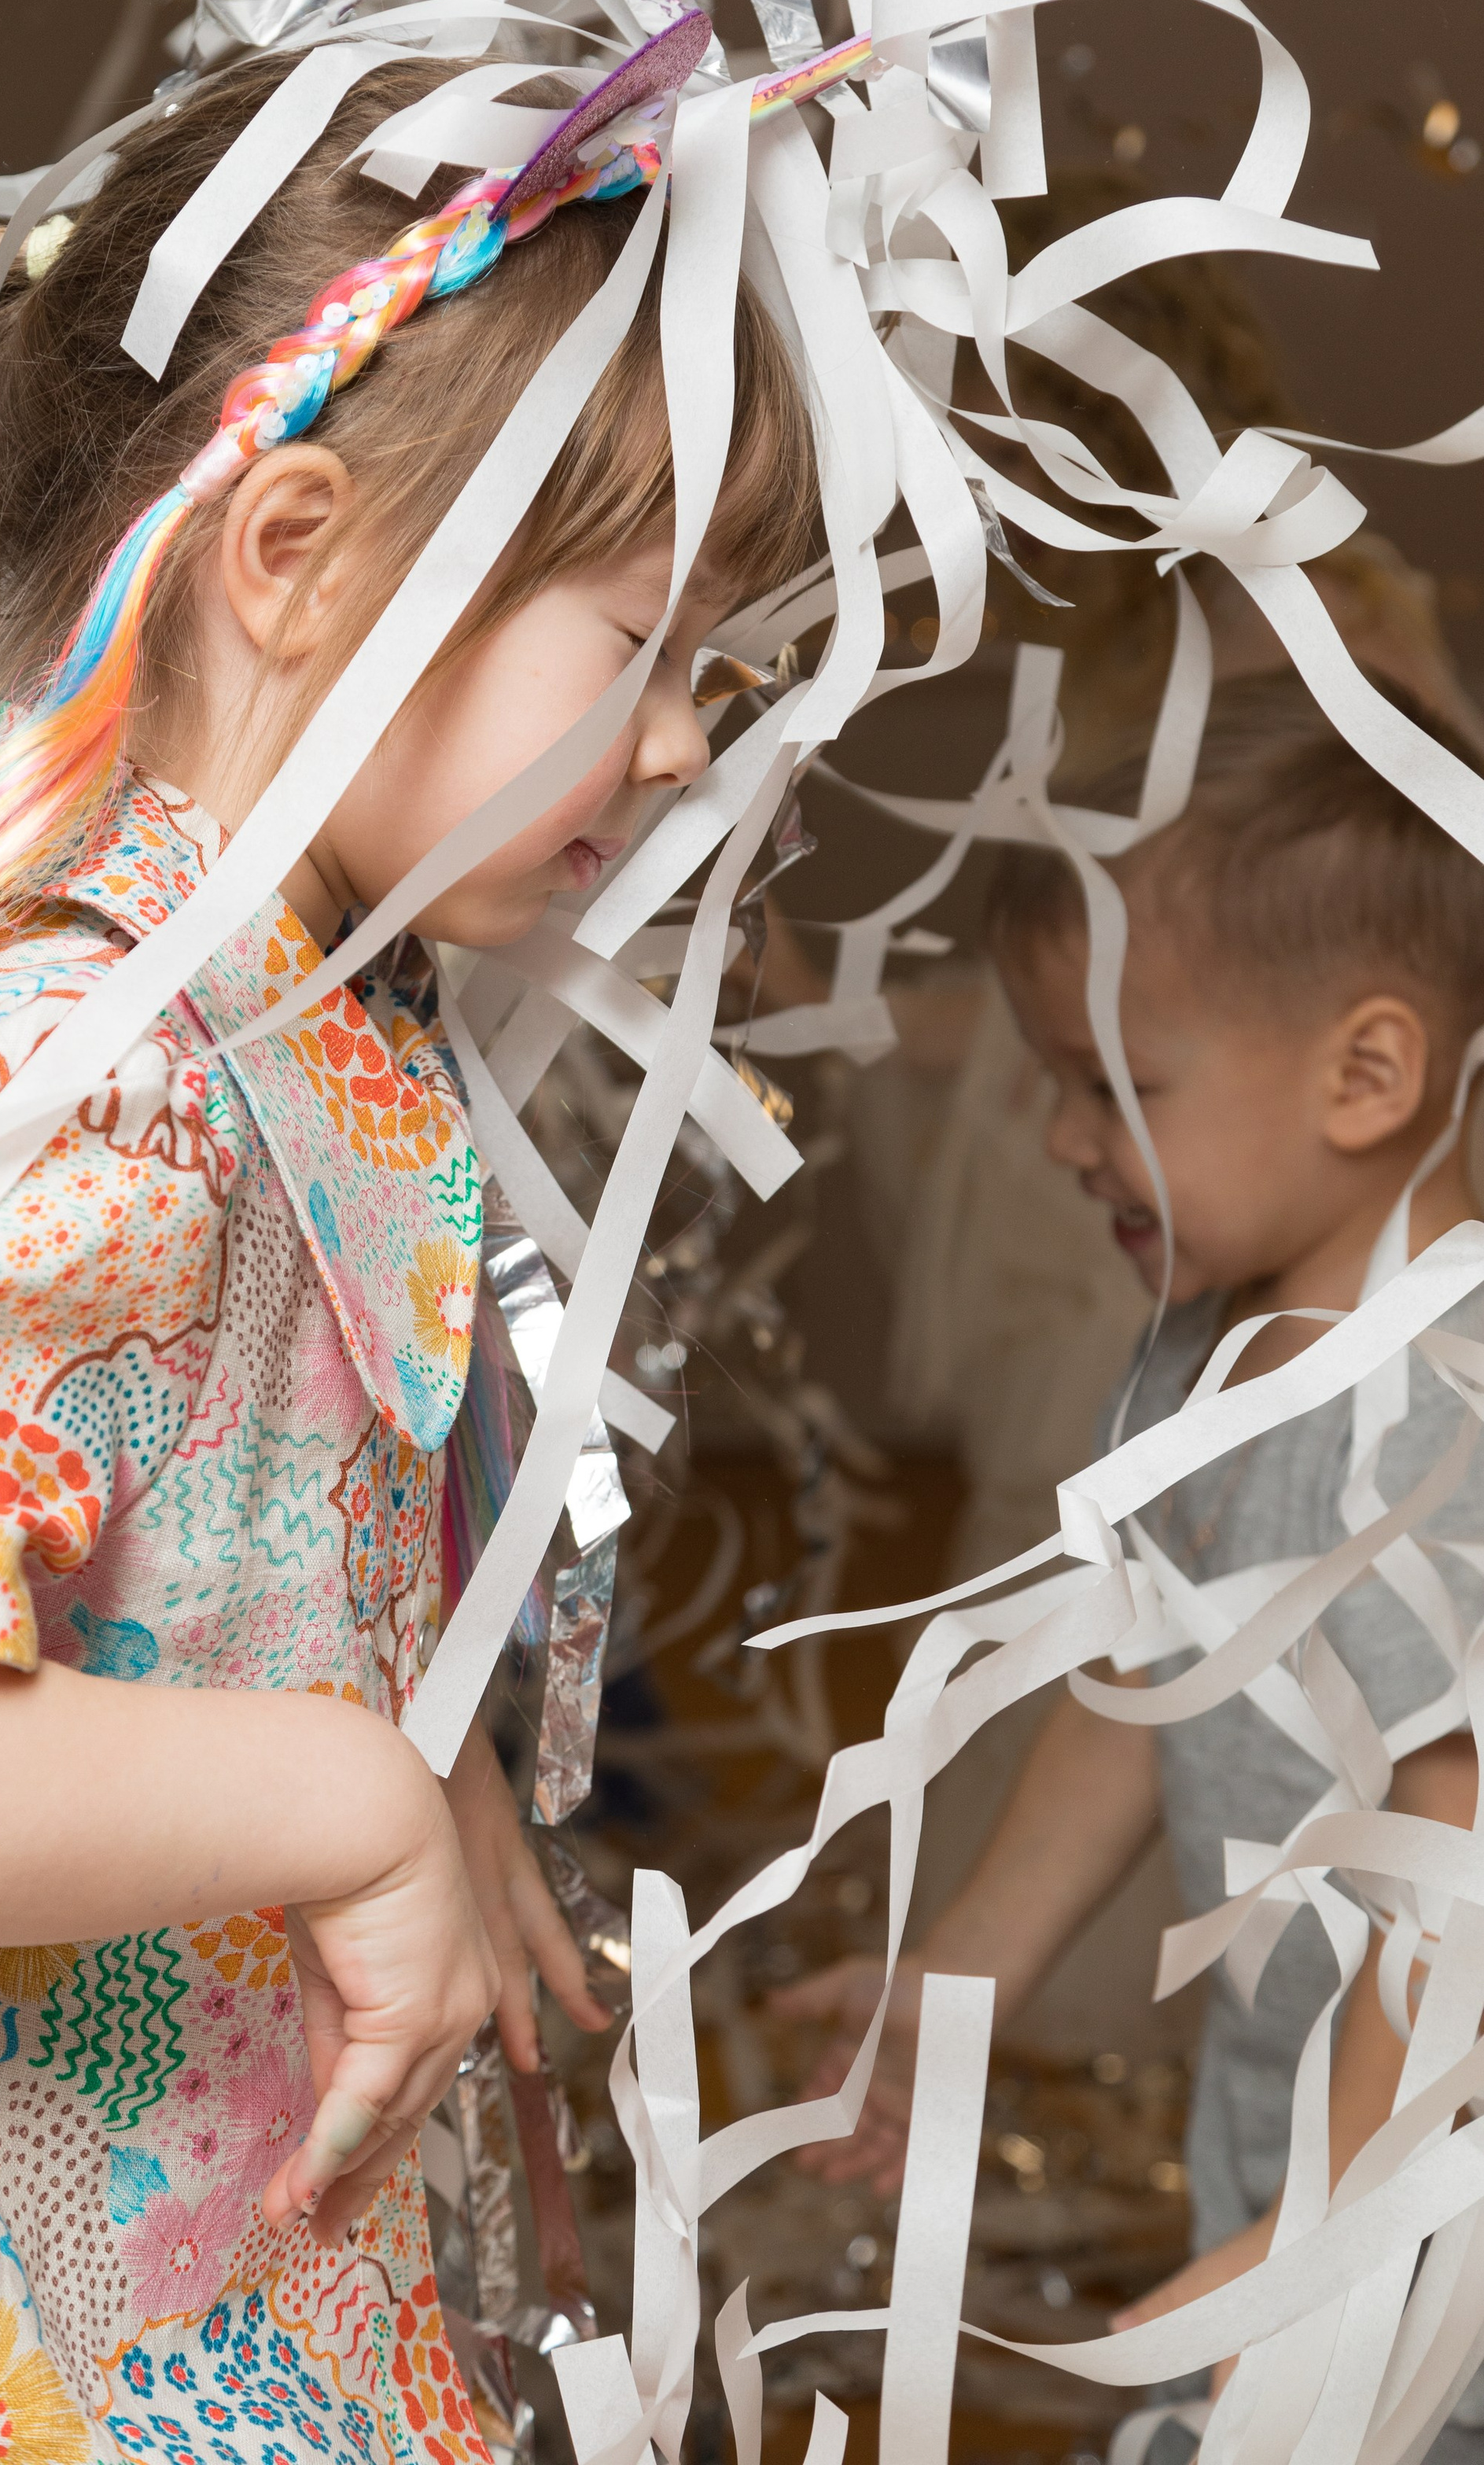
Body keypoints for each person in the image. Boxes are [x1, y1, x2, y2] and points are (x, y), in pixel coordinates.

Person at [0, 46, 822, 2464]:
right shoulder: (86, 1068)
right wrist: (347, 1799)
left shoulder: (293, 1030)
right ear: (291, 550)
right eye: (639, 644)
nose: (688, 744)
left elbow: (158, 1587)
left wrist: (417, 1767)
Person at [776, 674, 1484, 2448]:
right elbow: (1146, 1678)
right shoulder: (1202, 1356)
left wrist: (1314, 2254)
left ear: (1366, 1073)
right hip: (1303, 2145)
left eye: (1117, 1084)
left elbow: (1451, 1892)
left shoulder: (1431, 1424)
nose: (1061, 1139)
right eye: (1053, 1081)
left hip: (1425, 2210)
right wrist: (963, 1971)